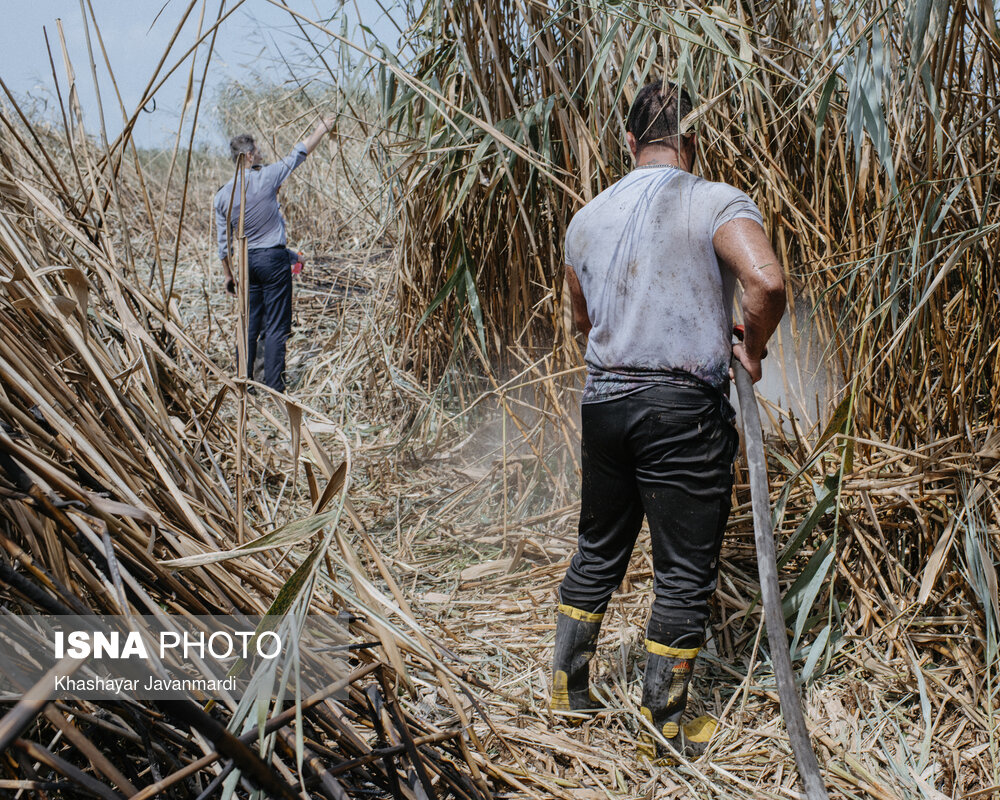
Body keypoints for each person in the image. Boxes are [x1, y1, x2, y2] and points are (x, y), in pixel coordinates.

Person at [551, 80, 786, 759]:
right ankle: (665, 723)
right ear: (693, 140)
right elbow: (766, 283)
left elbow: (581, 321)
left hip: (605, 404)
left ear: (628, 143)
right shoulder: (713, 200)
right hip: (681, 410)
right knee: (683, 572)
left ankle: (567, 690)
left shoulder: (585, 218)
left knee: (597, 549)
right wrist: (754, 344)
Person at [214, 115, 336, 392]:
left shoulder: (222, 196)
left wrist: (228, 275)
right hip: (271, 262)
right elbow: (299, 153)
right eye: (256, 150)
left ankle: (244, 383)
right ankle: (273, 388)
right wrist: (321, 129)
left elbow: (223, 245)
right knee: (277, 326)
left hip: (246, 264)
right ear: (248, 155)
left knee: (249, 325)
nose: (260, 153)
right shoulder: (266, 176)